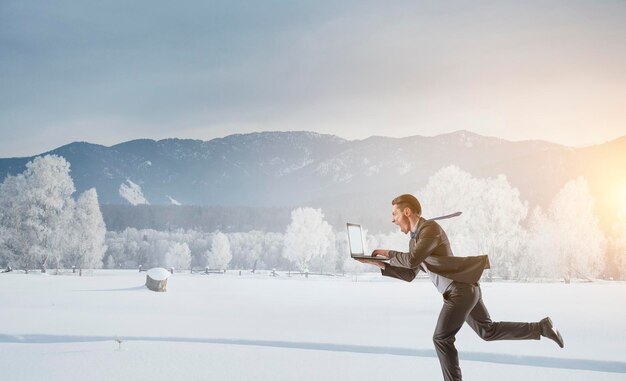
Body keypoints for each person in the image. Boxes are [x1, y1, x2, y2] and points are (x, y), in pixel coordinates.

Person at [356, 194, 564, 381]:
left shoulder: (430, 229)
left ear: (407, 212)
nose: (392, 219)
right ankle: (542, 327)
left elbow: (411, 260)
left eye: (394, 214)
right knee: (487, 331)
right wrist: (381, 265)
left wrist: (388, 253)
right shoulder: (416, 241)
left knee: (441, 338)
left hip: (460, 292)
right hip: (465, 290)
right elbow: (410, 273)